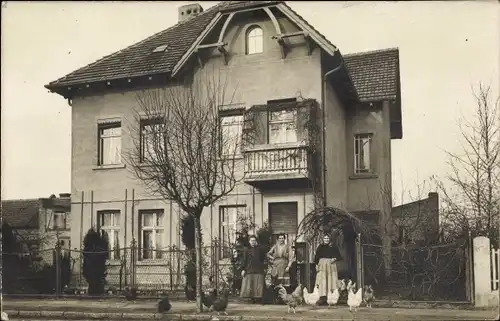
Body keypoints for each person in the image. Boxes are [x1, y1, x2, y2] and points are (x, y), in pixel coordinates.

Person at [314, 234, 343, 305]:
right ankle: (322, 297)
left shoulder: (333, 247)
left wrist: (334, 259)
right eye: (325, 238)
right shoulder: (320, 247)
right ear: (323, 239)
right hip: (322, 266)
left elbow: (339, 256)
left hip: (330, 265)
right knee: (322, 280)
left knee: (330, 280)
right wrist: (316, 265)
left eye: (327, 238)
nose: (326, 239)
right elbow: (316, 257)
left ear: (329, 239)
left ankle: (331, 297)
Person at [240, 235, 267, 303]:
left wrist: (264, 268)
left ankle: (258, 298)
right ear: (249, 241)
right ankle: (251, 298)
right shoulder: (246, 249)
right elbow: (244, 260)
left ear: (256, 241)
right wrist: (243, 269)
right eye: (252, 240)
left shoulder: (260, 249)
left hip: (258, 269)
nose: (253, 242)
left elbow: (263, 258)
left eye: (254, 240)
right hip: (249, 269)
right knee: (250, 284)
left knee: (258, 284)